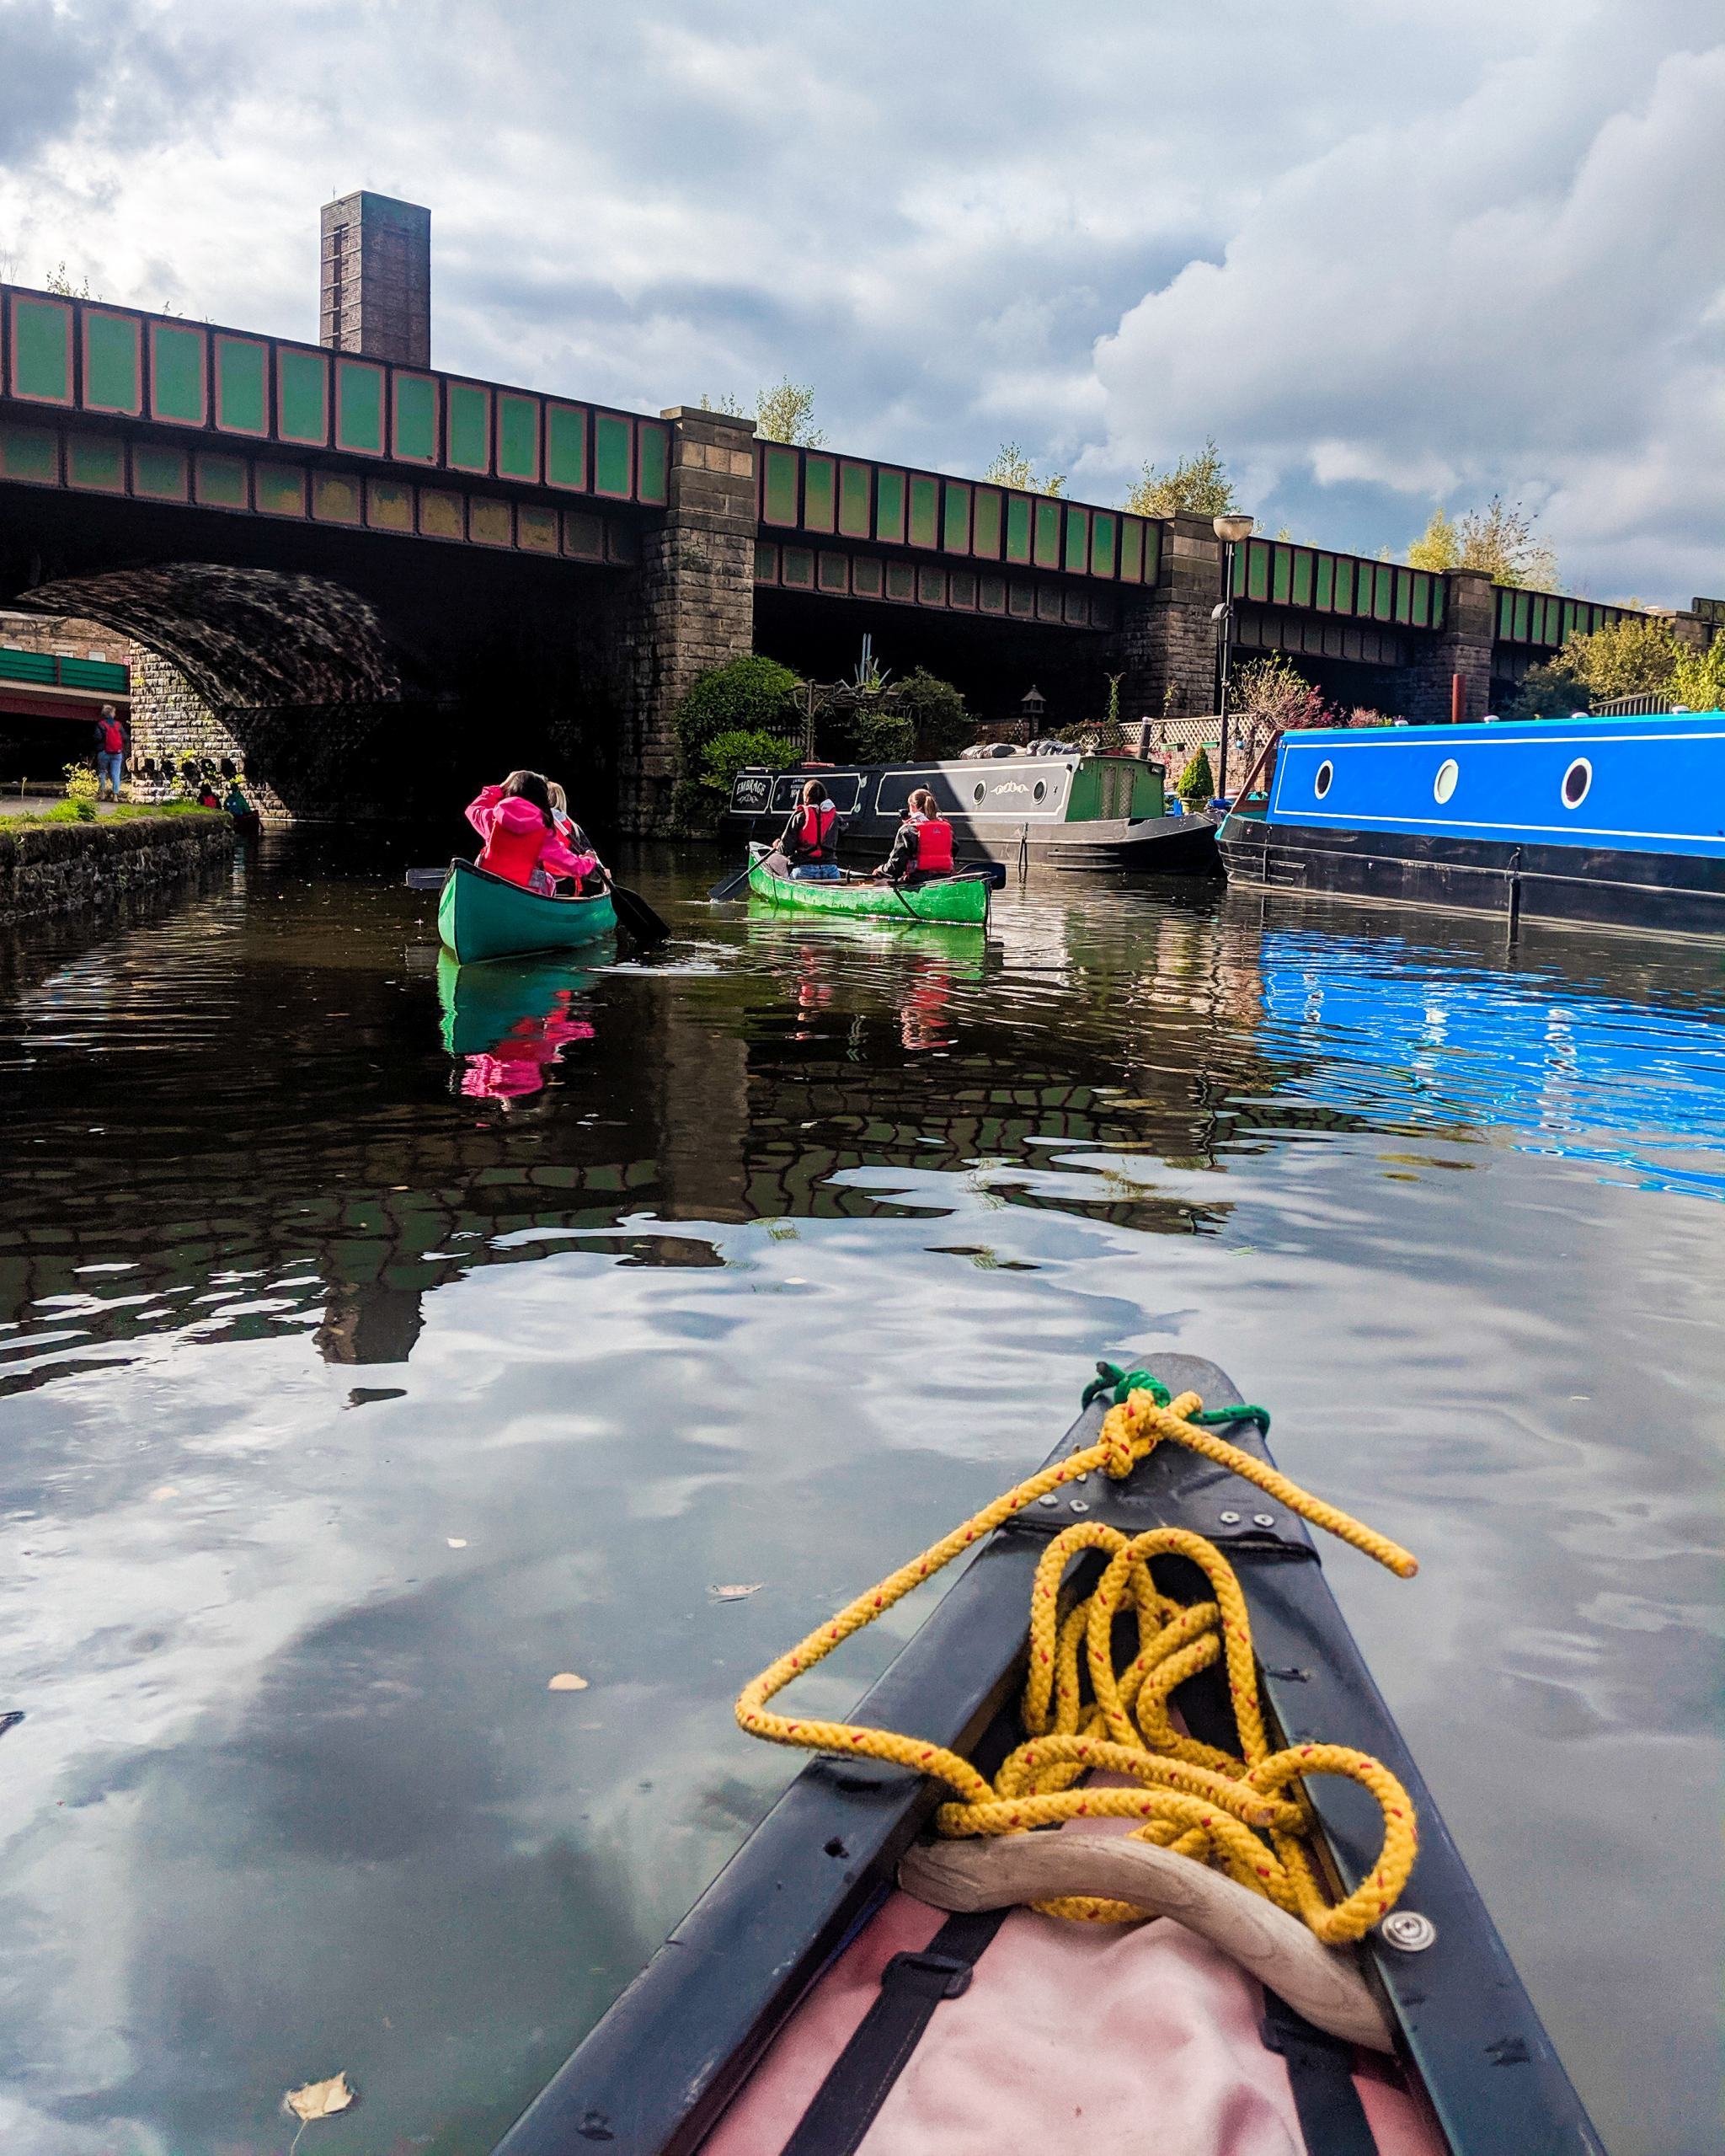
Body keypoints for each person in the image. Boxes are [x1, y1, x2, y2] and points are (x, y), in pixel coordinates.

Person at [464, 770, 596, 892]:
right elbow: (571, 866)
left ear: (510, 790)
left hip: (488, 881)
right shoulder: (543, 831)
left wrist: (501, 787)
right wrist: (589, 861)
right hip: (524, 890)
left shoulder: (493, 818)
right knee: (549, 880)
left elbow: (474, 808)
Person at [872, 788, 955, 885]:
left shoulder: (908, 830)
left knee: (878, 883)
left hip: (917, 881)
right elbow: (954, 850)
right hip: (944, 878)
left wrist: (880, 870)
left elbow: (895, 867)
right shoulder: (947, 828)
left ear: (913, 807)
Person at [774, 778, 842, 880]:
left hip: (805, 871)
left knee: (776, 866)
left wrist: (777, 845)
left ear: (806, 797)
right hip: (831, 871)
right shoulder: (835, 818)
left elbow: (786, 849)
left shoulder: (800, 816)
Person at [92, 704, 127, 802]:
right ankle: (115, 796)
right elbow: (125, 738)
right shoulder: (118, 725)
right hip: (117, 753)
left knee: (103, 772)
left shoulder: (101, 724)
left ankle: (102, 794)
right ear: (111, 713)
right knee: (116, 774)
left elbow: (97, 738)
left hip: (103, 752)